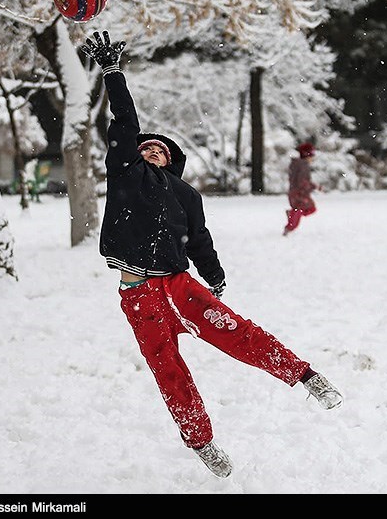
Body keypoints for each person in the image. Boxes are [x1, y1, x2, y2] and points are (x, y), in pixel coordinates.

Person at [81, 31, 342, 479]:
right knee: (168, 369)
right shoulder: (126, 174)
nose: (151, 149)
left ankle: (304, 376)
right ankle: (201, 441)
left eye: (160, 148)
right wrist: (112, 74)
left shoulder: (186, 194)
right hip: (138, 294)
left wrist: (214, 276)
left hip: (181, 286)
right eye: (145, 146)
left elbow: (199, 239)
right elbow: (124, 120)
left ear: (173, 160)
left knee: (239, 333)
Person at [283, 142, 321, 236]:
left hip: (294, 192)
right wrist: (312, 187)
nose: (312, 158)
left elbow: (298, 179)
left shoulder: (296, 164)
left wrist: (312, 186)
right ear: (307, 155)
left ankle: (292, 214)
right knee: (306, 209)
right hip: (300, 193)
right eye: (311, 156)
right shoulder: (303, 166)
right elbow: (302, 181)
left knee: (307, 208)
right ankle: (288, 228)